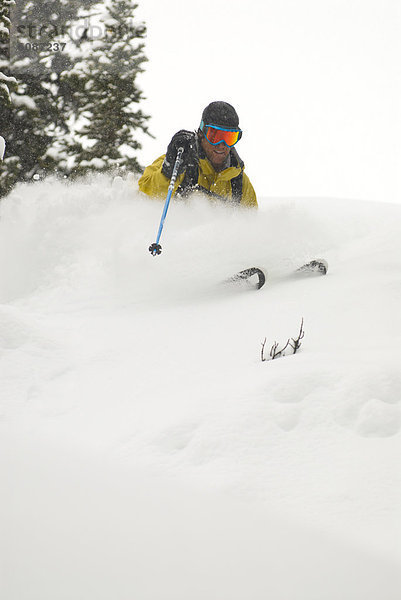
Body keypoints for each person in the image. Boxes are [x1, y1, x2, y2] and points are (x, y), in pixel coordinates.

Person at [138, 101, 257, 208]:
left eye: (229, 138)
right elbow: (144, 193)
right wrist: (168, 171)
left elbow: (251, 224)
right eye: (214, 136)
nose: (222, 145)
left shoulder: (238, 181)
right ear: (201, 133)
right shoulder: (181, 160)